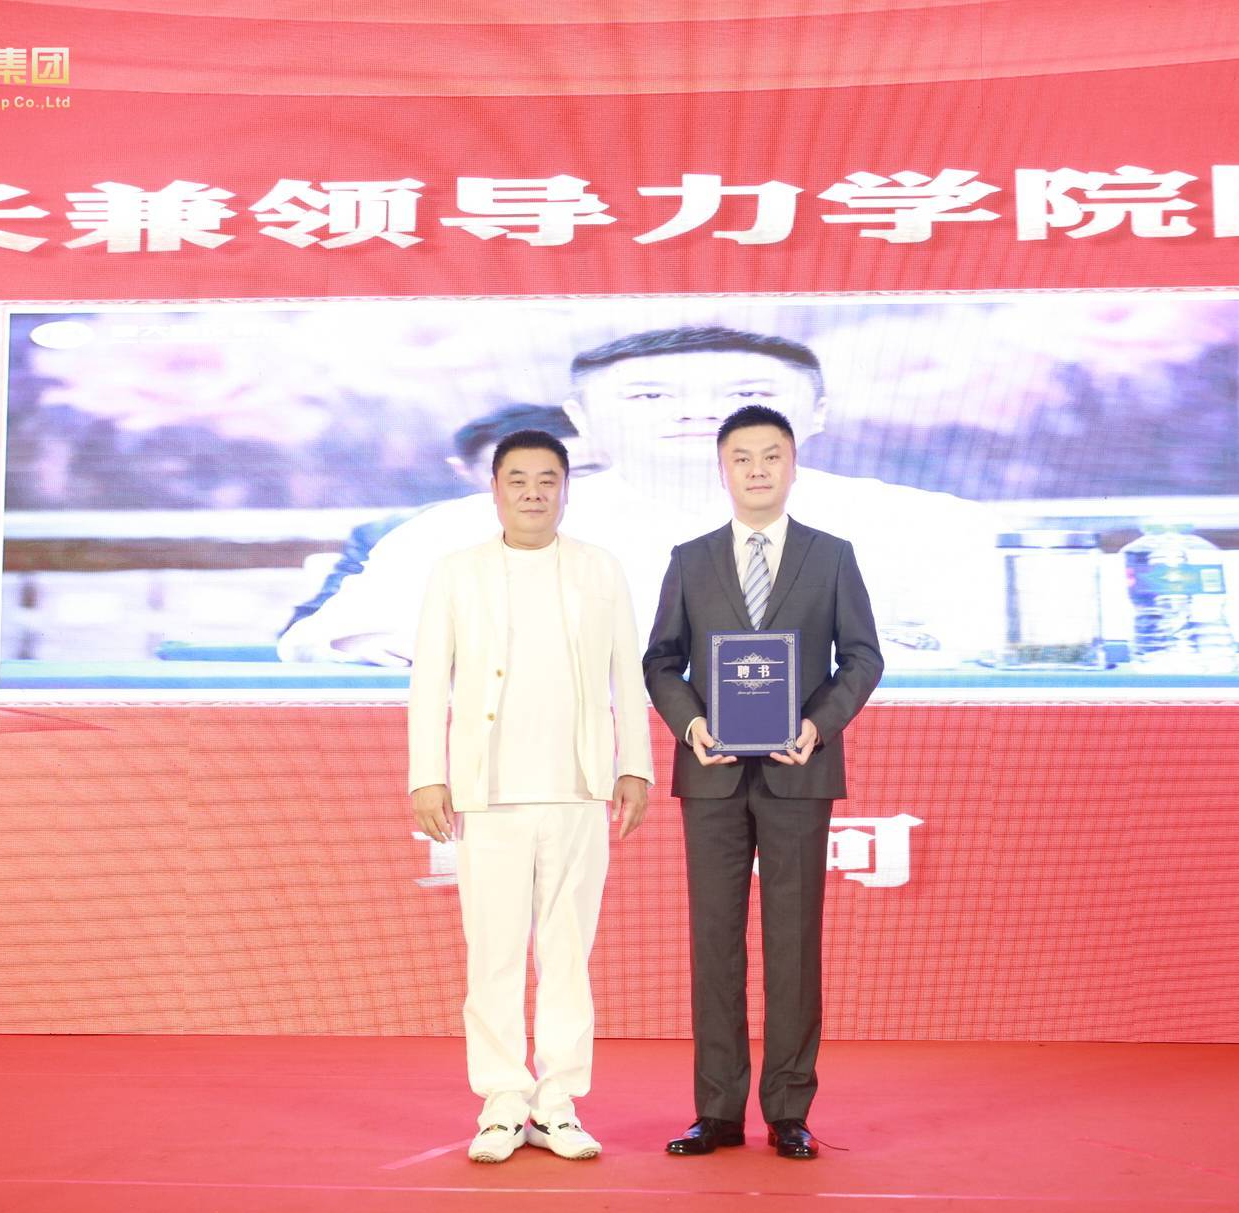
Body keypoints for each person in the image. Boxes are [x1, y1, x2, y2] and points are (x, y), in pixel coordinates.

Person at [282, 326, 1001, 668]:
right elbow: (328, 640)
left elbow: (989, 655)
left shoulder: (925, 525)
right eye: (650, 396)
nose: (697, 413)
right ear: (583, 421)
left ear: (815, 414)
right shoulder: (460, 530)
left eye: (747, 394)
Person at [643, 405, 884, 1161]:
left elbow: (863, 657)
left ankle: (788, 1110)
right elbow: (661, 661)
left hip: (798, 771)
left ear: (793, 465)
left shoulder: (831, 556)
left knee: (794, 943)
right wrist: (691, 724)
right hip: (711, 775)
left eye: (771, 455)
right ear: (722, 469)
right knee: (715, 943)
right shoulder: (690, 559)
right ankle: (716, 1111)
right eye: (741, 457)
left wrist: (819, 724)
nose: (756, 469)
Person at [407, 428, 655, 1164]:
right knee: (493, 951)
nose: (533, 493)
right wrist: (427, 774)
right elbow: (429, 681)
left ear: (567, 488)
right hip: (488, 793)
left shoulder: (599, 568)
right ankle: (502, 1102)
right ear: (494, 489)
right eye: (518, 479)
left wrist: (634, 766)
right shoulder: (456, 572)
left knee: (568, 951)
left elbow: (628, 674)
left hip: (578, 788)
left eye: (548, 479)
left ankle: (558, 1103)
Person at [277, 404, 598, 642]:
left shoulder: (618, 524)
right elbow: (304, 632)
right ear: (465, 472)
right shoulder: (401, 534)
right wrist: (356, 642)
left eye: (578, 473)